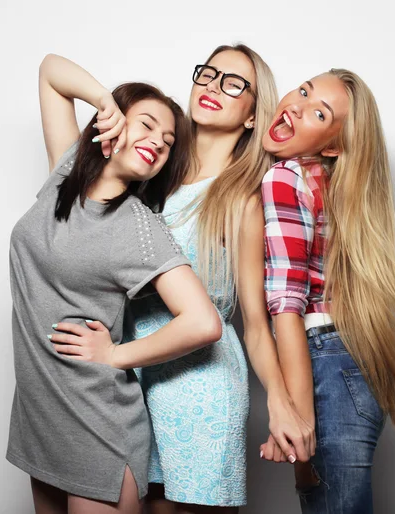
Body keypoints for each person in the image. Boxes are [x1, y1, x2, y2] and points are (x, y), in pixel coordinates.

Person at [66, 44, 315, 513]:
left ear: (250, 115)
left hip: (198, 389)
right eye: (208, 73)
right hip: (127, 385)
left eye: (234, 83)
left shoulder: (242, 197)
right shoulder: (148, 174)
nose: (213, 86)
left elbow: (255, 324)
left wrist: (281, 401)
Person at [7, 54, 222, 514]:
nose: (158, 144)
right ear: (114, 123)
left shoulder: (138, 228)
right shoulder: (66, 170)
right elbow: (49, 71)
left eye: (167, 143)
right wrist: (103, 100)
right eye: (146, 125)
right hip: (42, 416)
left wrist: (115, 355)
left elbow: (203, 322)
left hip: (96, 424)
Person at [259, 69, 395, 514]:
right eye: (303, 90)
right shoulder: (338, 186)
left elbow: (288, 305)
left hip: (322, 361)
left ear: (333, 144)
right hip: (355, 361)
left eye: (318, 111)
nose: (297, 105)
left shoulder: (284, 177)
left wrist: (297, 421)